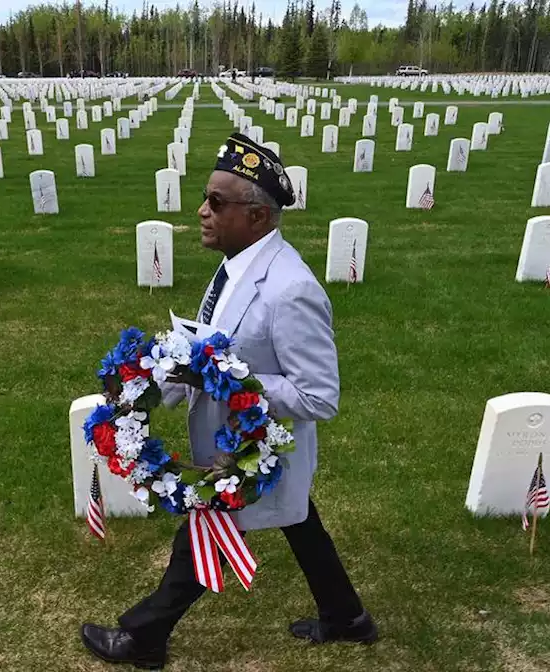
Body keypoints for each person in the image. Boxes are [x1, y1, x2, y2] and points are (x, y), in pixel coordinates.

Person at [80, 134, 377, 669]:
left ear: (258, 215)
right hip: (250, 448)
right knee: (299, 519)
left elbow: (318, 395)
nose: (202, 211)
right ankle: (347, 617)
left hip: (251, 454)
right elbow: (210, 348)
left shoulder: (290, 290)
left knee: (202, 532)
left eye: (216, 202)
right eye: (206, 197)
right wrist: (150, 385)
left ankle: (143, 637)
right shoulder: (237, 264)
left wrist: (231, 382)